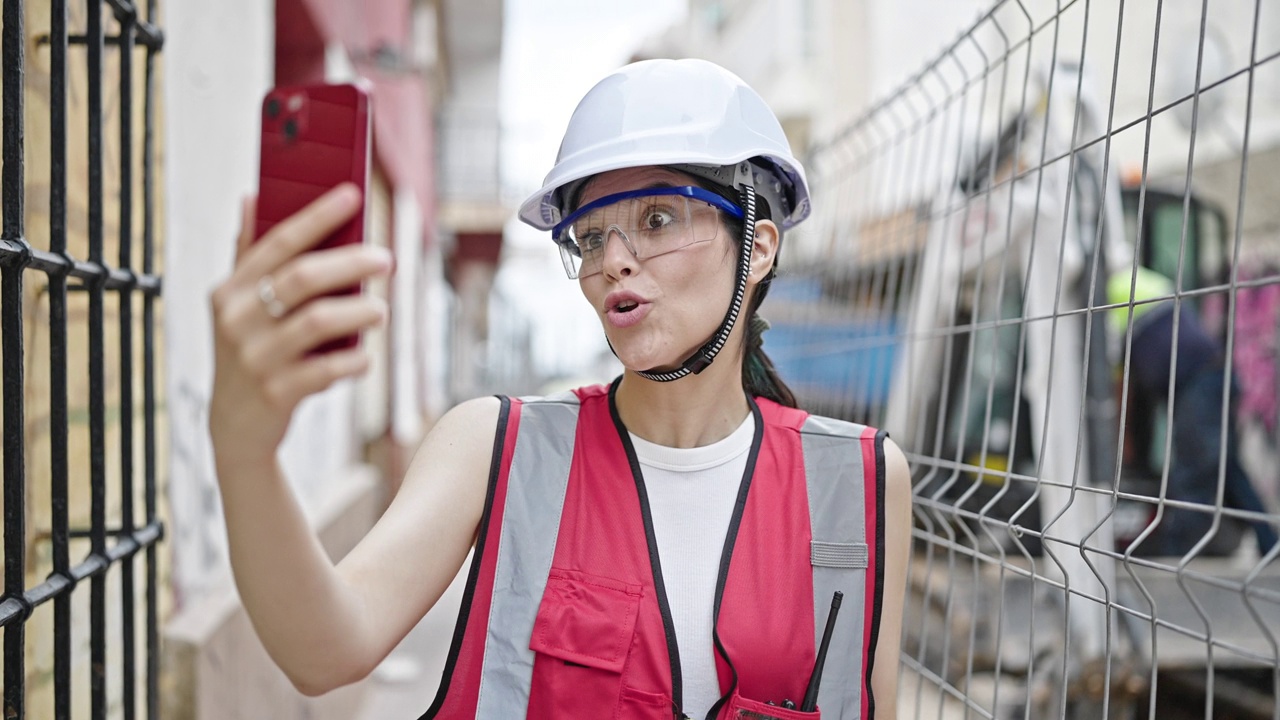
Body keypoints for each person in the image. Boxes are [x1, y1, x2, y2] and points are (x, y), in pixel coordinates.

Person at [209, 58, 913, 719]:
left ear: (758, 247)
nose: (613, 261)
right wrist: (244, 447)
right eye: (591, 234)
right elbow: (324, 651)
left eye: (657, 219)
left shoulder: (859, 479)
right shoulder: (495, 446)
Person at [1108, 266, 1278, 557]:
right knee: (1226, 472)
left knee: (1193, 475)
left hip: (1197, 384)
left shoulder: (1105, 296)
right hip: (1213, 377)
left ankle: (1177, 556)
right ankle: (1271, 545)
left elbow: (1121, 385)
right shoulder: (1141, 281)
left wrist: (1122, 439)